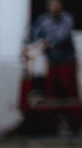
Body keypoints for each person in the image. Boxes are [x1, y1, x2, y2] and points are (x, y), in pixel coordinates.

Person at [26, 0, 80, 131]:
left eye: (57, 5)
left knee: (69, 92)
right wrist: (30, 45)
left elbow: (62, 35)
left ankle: (75, 123)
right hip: (52, 62)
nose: (55, 8)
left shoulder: (67, 18)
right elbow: (33, 34)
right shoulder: (43, 20)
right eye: (52, 5)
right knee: (50, 91)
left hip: (67, 62)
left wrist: (47, 43)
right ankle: (50, 123)